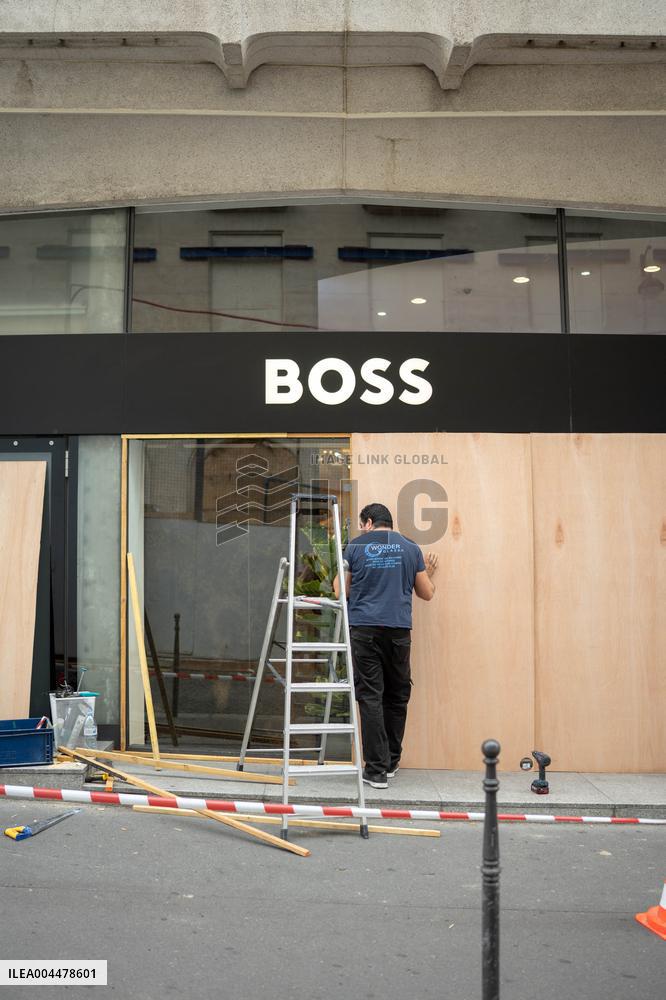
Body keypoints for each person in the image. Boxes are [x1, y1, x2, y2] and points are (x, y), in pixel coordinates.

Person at [333, 502, 438, 789]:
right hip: (398, 632)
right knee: (396, 695)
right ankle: (391, 761)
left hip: (365, 629)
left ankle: (376, 771)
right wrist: (427, 572)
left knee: (370, 696)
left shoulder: (355, 547)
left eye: (362, 524)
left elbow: (340, 590)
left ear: (368, 522)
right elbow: (426, 593)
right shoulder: (410, 548)